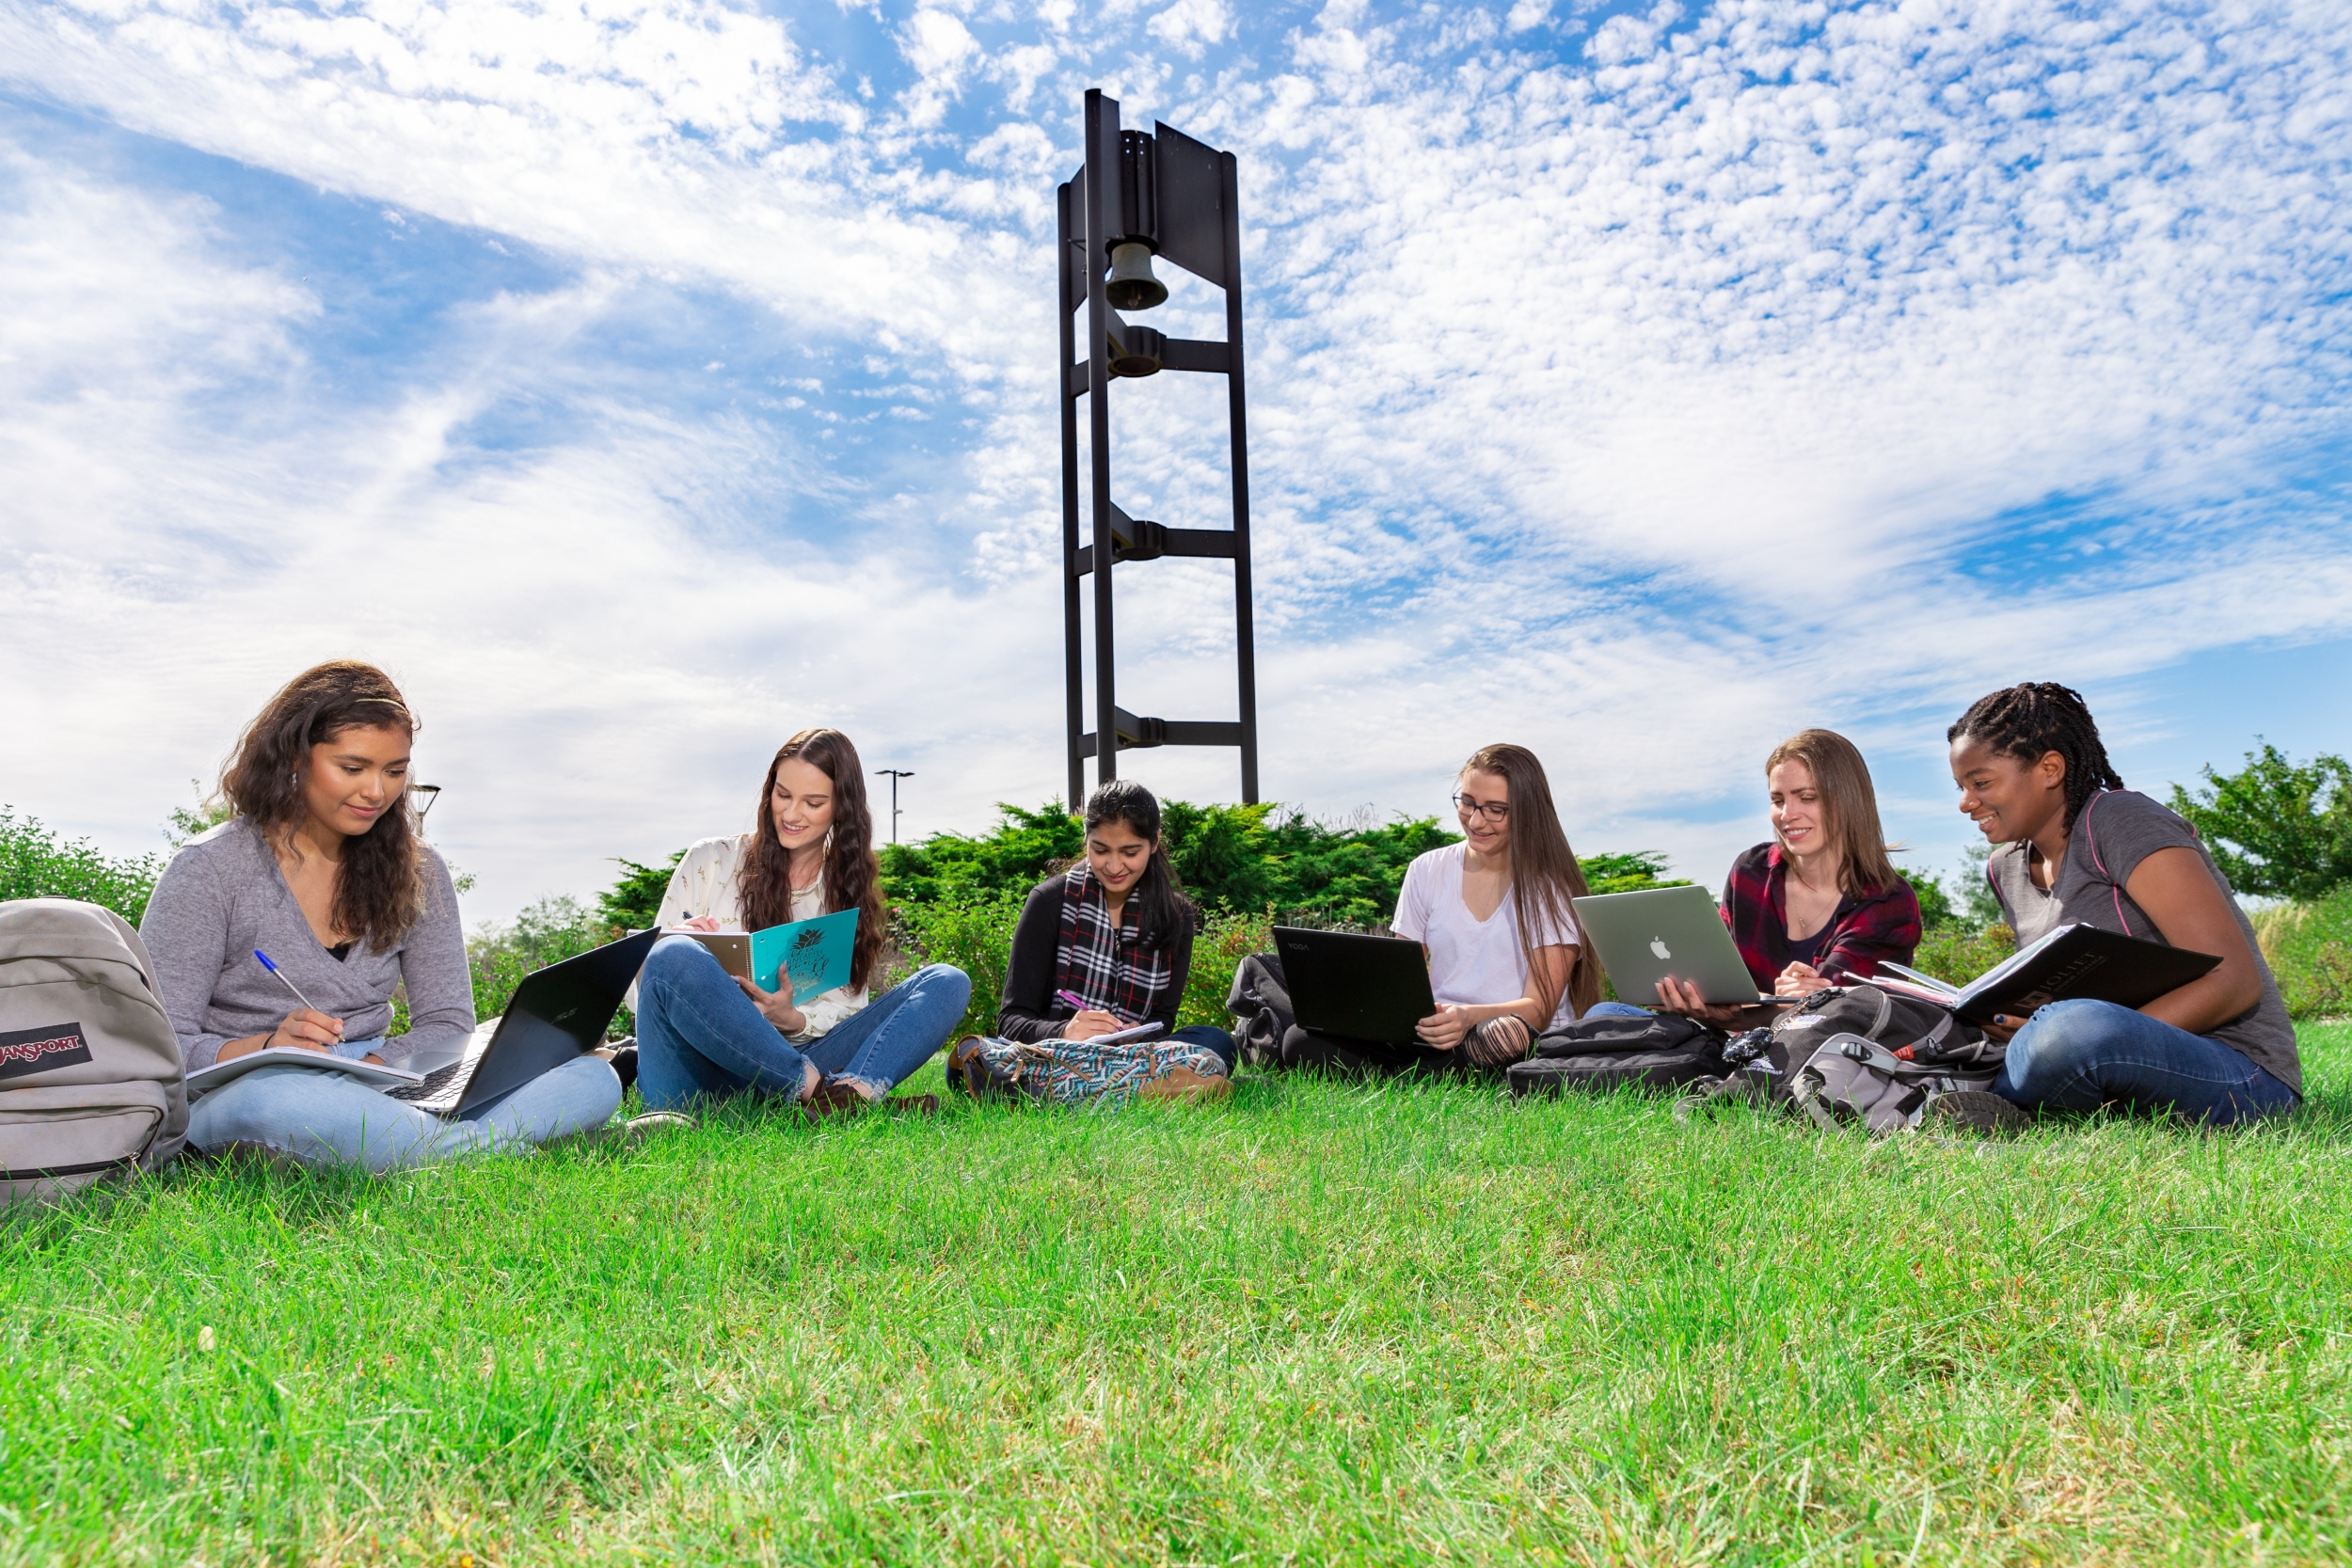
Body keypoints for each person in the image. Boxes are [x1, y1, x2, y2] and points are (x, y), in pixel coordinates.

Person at [141, 661, 623, 1172]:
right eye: (353, 768)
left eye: (395, 771)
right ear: (294, 759)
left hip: (386, 1080)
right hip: (251, 1085)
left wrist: (381, 1065)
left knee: (592, 1077)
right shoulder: (208, 869)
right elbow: (160, 1045)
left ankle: (432, 1149)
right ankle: (515, 1148)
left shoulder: (420, 869)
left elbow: (447, 1022)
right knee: (277, 1104)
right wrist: (265, 1045)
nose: (377, 792)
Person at [1947, 682, 2298, 1125]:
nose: (1965, 803)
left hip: (2237, 1073)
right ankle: (1985, 1098)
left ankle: (1999, 1107)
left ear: (2050, 769)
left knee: (2072, 1030)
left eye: (1980, 782)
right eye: (1960, 786)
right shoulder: (2005, 868)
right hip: (2106, 1065)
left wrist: (2096, 1034)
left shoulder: (2121, 820)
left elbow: (2235, 983)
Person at [631, 728, 970, 1117]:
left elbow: (848, 1010)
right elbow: (639, 999)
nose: (791, 815)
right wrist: (675, 948)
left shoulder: (844, 886)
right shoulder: (710, 861)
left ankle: (849, 1096)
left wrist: (790, 1018)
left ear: (841, 808)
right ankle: (822, 1095)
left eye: (813, 802)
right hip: (698, 1074)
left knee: (947, 981)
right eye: (783, 794)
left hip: (796, 1053)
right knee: (671, 955)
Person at [1279, 743, 1599, 1076]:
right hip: (1437, 1035)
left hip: (1508, 1037)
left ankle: (1417, 1075)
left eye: (1495, 809)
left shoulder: (1550, 889)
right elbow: (1399, 977)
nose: (1476, 820)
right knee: (1300, 1040)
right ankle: (1437, 1076)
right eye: (1468, 802)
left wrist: (1468, 1016)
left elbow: (1538, 1010)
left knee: (1507, 1035)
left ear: (1527, 811)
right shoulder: (1427, 869)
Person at [1649, 728, 1923, 1026]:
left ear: (1849, 801)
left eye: (1807, 797)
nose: (1787, 814)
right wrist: (1699, 997)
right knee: (1607, 1016)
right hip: (1733, 1046)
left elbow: (1828, 1013)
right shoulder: (1750, 872)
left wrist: (1737, 1016)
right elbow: (1723, 978)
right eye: (1777, 800)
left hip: (1828, 1058)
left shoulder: (1889, 901)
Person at [989, 780, 1236, 1093]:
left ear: (1155, 842)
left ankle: (1084, 1090)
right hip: (1056, 1053)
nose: (1114, 866)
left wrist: (1139, 1035)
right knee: (965, 1065)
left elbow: (1163, 1020)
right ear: (1086, 839)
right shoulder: (1049, 902)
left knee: (1216, 1040)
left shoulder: (1177, 916)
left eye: (1130, 852)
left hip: (1134, 1052)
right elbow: (1011, 1022)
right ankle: (1145, 1088)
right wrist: (1066, 1029)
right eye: (1100, 850)